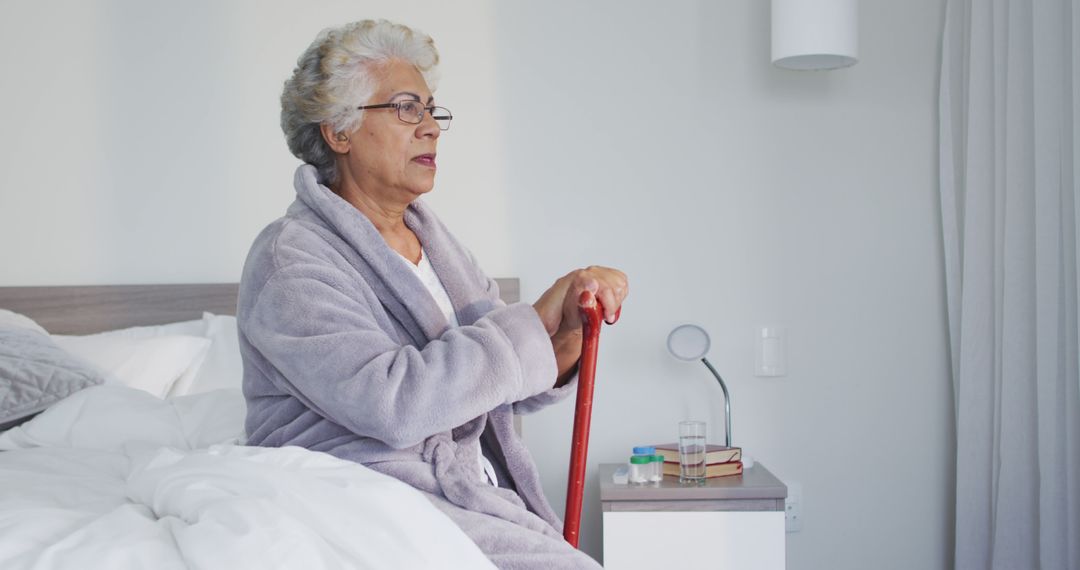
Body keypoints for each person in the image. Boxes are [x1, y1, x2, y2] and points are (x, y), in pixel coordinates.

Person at [237, 19, 628, 569]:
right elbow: (391, 404)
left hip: (462, 495)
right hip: (369, 496)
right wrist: (531, 319)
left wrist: (565, 329)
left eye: (430, 110)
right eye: (405, 109)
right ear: (338, 131)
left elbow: (501, 382)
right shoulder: (291, 259)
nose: (431, 128)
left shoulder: (434, 243)